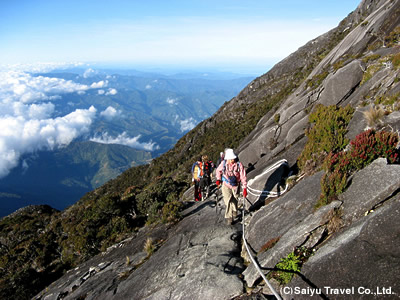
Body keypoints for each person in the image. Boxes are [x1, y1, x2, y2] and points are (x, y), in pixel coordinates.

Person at [215, 148, 247, 225]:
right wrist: (218, 179)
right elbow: (218, 170)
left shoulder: (239, 165)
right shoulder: (224, 163)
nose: (232, 160)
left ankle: (235, 210)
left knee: (235, 199)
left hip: (236, 185)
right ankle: (229, 217)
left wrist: (245, 187)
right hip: (226, 184)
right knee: (228, 200)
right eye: (230, 159)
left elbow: (243, 176)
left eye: (232, 158)